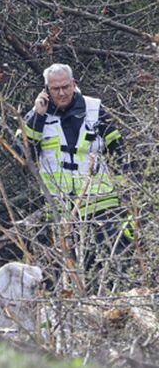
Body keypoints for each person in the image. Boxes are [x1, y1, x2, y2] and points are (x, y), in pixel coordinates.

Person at [22, 63, 128, 244]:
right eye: (55, 89)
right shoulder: (35, 117)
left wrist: (125, 195)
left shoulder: (95, 109)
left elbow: (119, 152)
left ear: (73, 83)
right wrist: (38, 118)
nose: (62, 93)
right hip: (60, 210)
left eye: (65, 87)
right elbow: (23, 156)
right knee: (70, 268)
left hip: (101, 207)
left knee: (107, 261)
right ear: (46, 89)